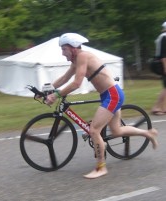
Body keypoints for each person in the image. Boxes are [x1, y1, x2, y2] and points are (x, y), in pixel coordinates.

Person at [45, 33, 158, 179]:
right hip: (108, 95)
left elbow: (76, 83)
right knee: (116, 131)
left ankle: (101, 168)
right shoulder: (77, 60)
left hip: (112, 95)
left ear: (73, 48)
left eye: (64, 49)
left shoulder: (82, 57)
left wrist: (55, 95)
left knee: (94, 131)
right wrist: (48, 88)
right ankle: (148, 133)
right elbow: (65, 78)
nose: (62, 53)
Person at [151, 22, 166, 115]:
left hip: (160, 63)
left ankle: (163, 108)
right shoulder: (164, 37)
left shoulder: (162, 36)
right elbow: (163, 55)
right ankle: (156, 107)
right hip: (162, 64)